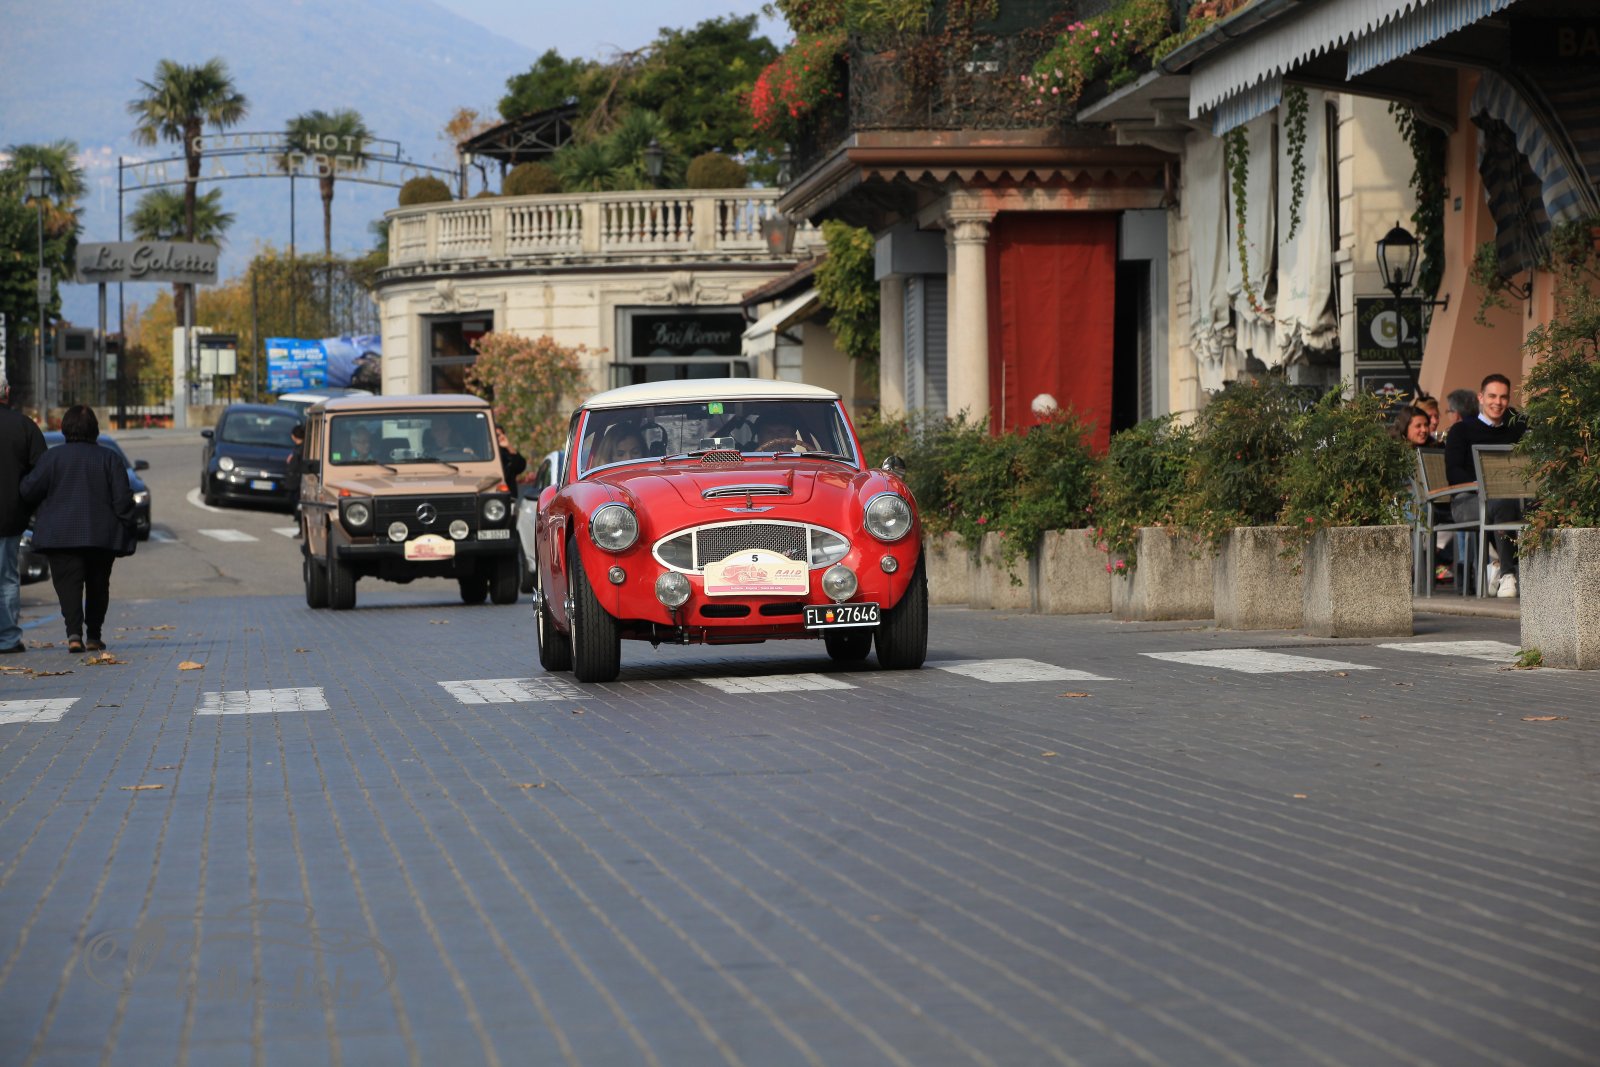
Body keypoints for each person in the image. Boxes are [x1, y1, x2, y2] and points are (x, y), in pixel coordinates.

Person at [18, 405, 138, 653]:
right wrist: (128, 525)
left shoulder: (52, 458)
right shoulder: (109, 458)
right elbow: (122, 500)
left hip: (60, 535)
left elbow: (29, 490)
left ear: (64, 428)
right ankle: (94, 635)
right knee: (98, 585)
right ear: (95, 429)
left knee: (67, 585)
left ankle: (73, 634)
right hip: (101, 536)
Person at [1444, 373, 1526, 597]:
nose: (1497, 402)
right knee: (1501, 502)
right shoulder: (1461, 430)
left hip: (1508, 499)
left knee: (1534, 504)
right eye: (1492, 396)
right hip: (1467, 501)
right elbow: (1453, 472)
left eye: (1503, 397)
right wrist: (1481, 486)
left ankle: (1503, 567)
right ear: (1480, 397)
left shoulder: (1515, 429)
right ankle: (1508, 574)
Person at [0, 375, 48, 654]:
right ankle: (7, 639)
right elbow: (42, 472)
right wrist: (25, 500)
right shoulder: (24, 426)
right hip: (10, 515)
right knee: (7, 577)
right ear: (7, 392)